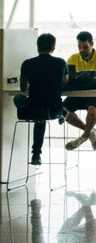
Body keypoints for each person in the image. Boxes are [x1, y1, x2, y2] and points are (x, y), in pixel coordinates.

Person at [15, 34, 68, 166]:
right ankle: (62, 112)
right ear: (53, 48)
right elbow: (65, 83)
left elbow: (22, 88)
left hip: (32, 108)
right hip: (53, 109)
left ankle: (36, 154)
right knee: (42, 112)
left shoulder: (27, 63)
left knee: (19, 98)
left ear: (37, 47)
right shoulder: (60, 62)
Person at [62, 30, 96, 151]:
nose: (81, 50)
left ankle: (83, 137)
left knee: (93, 112)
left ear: (92, 43)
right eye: (79, 47)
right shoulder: (73, 58)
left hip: (94, 94)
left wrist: (80, 78)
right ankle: (90, 131)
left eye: (85, 47)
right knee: (62, 110)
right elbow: (69, 78)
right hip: (78, 94)